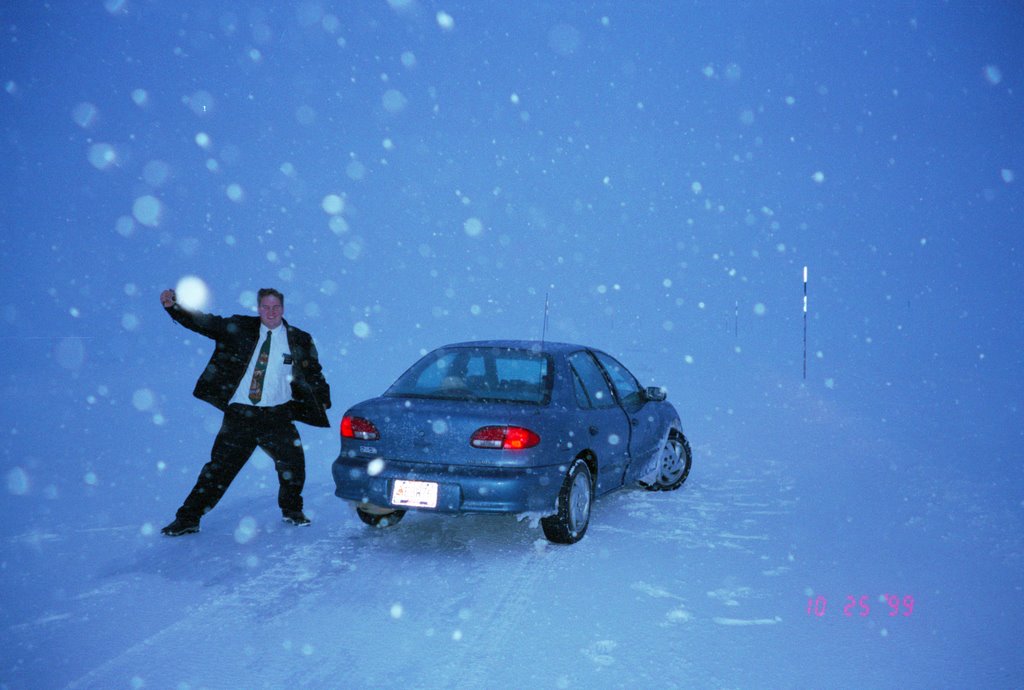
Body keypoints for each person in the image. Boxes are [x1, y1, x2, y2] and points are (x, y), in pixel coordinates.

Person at [159, 287, 331, 536]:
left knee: (293, 466)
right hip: (241, 415)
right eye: (266, 307)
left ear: (282, 309)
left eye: (276, 307)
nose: (271, 312)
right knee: (218, 470)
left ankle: (292, 511)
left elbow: (313, 372)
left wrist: (323, 397)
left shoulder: (299, 339)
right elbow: (204, 323)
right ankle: (188, 518)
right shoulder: (240, 328)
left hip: (278, 415)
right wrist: (174, 308)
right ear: (259, 308)